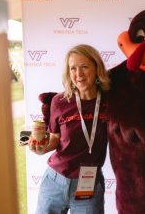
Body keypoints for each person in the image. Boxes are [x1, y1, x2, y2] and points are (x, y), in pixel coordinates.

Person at [29, 44, 110, 214]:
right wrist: (41, 147)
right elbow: (56, 137)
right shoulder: (60, 101)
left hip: (89, 185)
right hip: (55, 182)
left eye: (84, 67)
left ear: (96, 68)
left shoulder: (110, 102)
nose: (78, 74)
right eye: (73, 68)